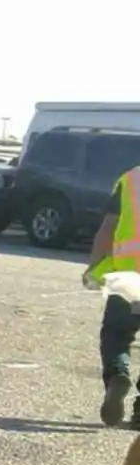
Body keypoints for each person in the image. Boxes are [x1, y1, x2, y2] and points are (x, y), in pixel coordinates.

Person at [85, 165, 140, 424]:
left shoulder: (131, 180)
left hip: (128, 276)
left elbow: (108, 228)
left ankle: (118, 373)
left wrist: (94, 267)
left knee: (116, 335)